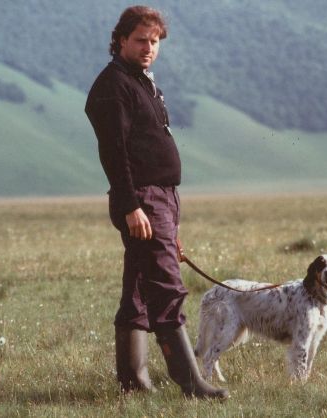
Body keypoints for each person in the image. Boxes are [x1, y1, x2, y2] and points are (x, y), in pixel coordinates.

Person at [84, 5, 228, 400]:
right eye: (140, 40)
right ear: (120, 40)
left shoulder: (141, 81)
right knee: (166, 287)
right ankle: (192, 384)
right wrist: (131, 205)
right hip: (142, 198)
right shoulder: (113, 85)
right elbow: (114, 152)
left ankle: (132, 381)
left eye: (154, 41)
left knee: (137, 286)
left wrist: (170, 224)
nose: (149, 47)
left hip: (160, 199)